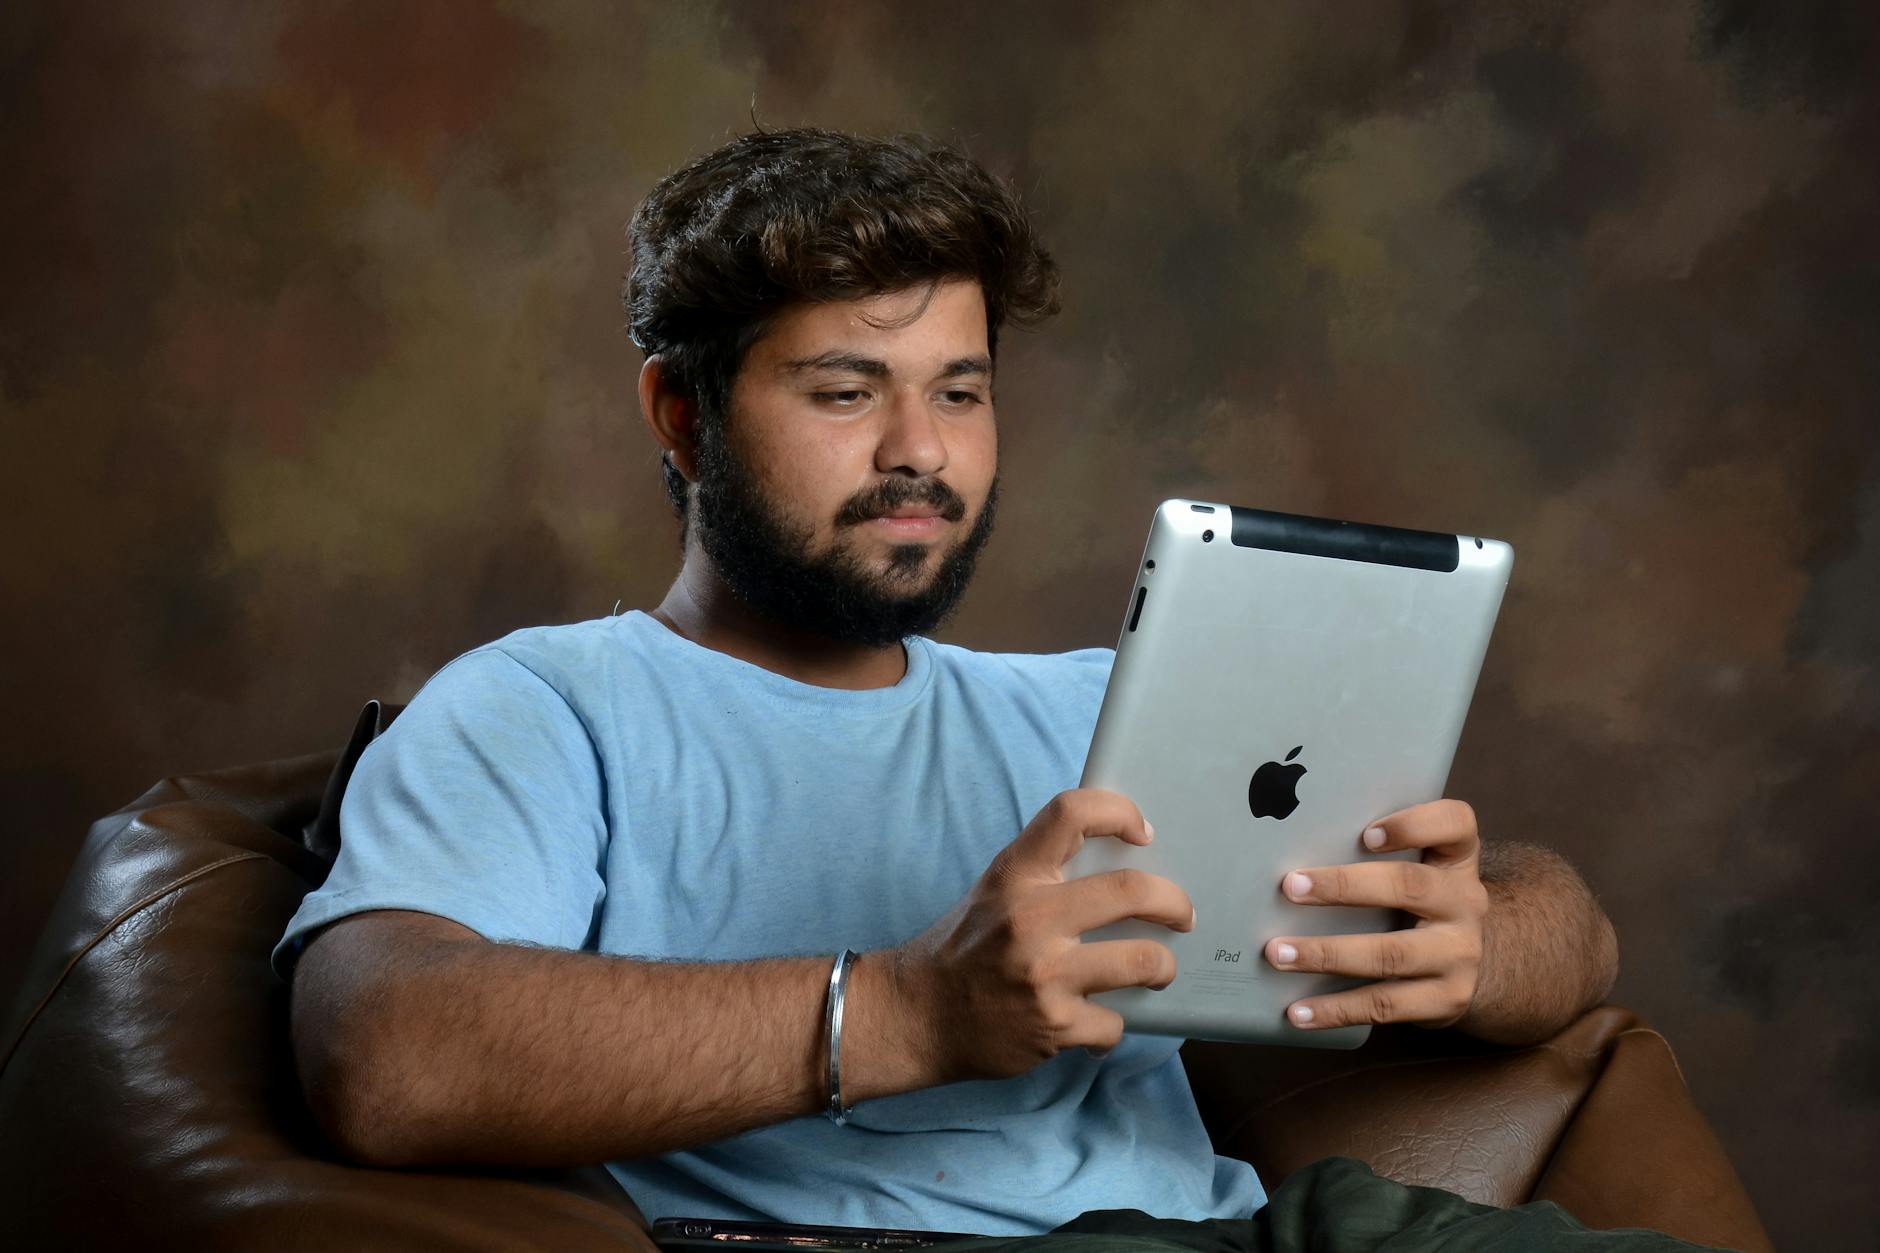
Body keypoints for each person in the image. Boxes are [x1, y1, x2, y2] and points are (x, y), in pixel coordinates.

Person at [277, 127, 1634, 1245]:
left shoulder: (1106, 706)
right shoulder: (546, 707)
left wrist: (1471, 942)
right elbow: (384, 1053)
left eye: (962, 392)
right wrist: (913, 1011)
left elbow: (1567, 928)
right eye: (847, 392)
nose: (921, 450)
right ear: (683, 418)